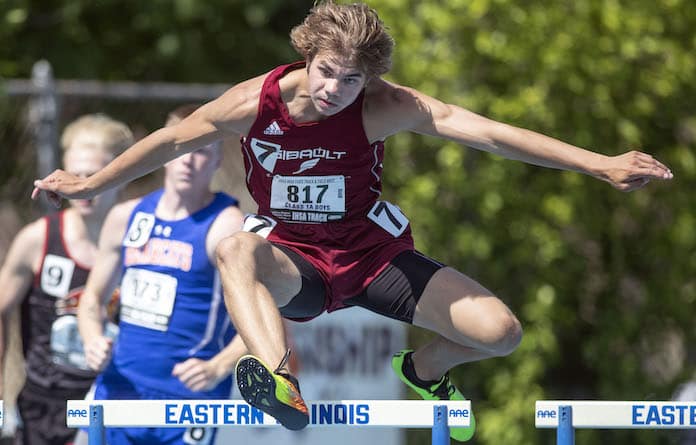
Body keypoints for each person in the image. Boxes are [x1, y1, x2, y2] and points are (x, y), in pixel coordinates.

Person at [32, 2, 674, 441]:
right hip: (297, 260)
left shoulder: (385, 108)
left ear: (370, 80)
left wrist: (600, 165)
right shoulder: (252, 105)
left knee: (501, 332)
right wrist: (92, 181)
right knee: (234, 247)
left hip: (372, 258)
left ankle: (420, 373)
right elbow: (170, 143)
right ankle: (280, 380)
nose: (335, 88)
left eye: (351, 79)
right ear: (306, 58)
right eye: (327, 72)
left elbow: (492, 136)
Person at [76, 104, 246, 445]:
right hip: (120, 385)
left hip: (187, 397)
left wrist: (219, 366)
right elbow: (91, 299)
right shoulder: (125, 217)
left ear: (216, 161)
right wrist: (92, 337)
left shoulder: (227, 227)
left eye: (202, 151)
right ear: (163, 152)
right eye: (180, 149)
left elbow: (270, 321)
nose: (188, 160)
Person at [0, 114, 133, 445]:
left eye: (94, 175)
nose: (82, 185)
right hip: (45, 404)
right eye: (75, 174)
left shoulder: (143, 240)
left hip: (118, 402)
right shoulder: (38, 239)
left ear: (121, 172)